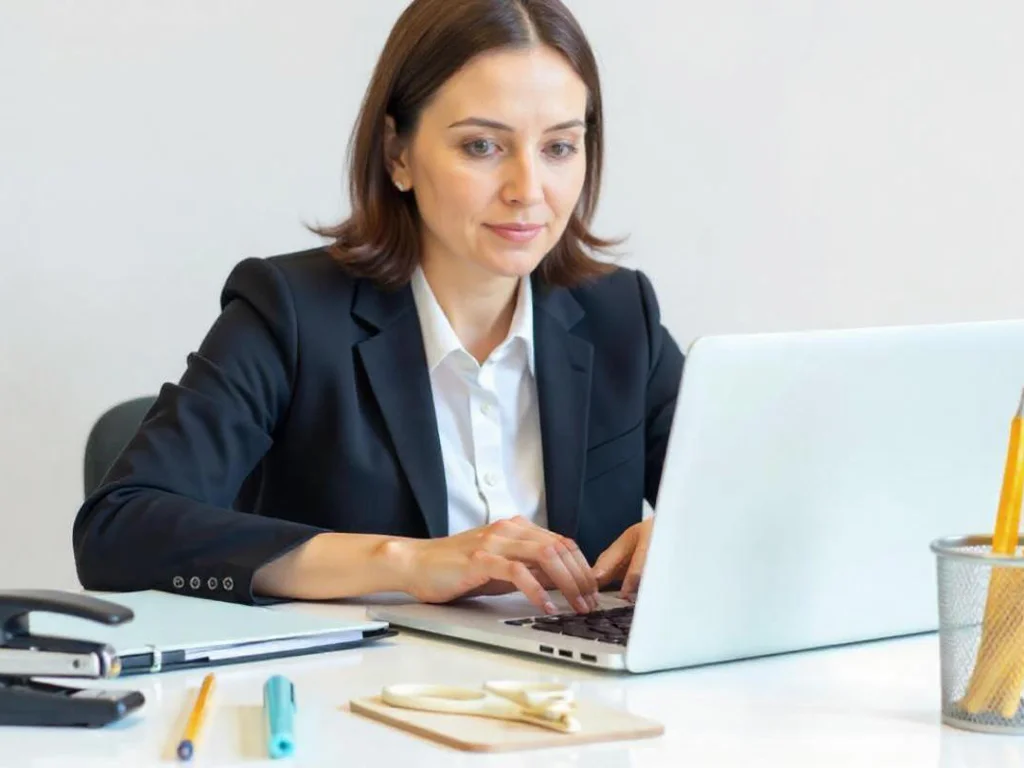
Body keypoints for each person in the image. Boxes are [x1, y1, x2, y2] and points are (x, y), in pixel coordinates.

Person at [72, 0, 684, 617]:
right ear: (398, 154)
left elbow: (758, 503)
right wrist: (407, 561)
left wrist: (692, 536)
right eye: (481, 145)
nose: (528, 188)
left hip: (581, 701)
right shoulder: (290, 314)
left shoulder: (619, 315)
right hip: (356, 698)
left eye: (558, 147)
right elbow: (118, 528)